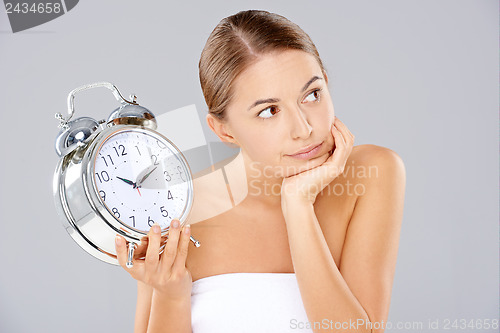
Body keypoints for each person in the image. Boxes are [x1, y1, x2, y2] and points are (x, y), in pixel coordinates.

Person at [115, 9, 406, 333]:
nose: (304, 128)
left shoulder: (370, 174)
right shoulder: (177, 211)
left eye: (312, 94)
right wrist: (171, 296)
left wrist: (298, 206)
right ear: (224, 131)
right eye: (269, 111)